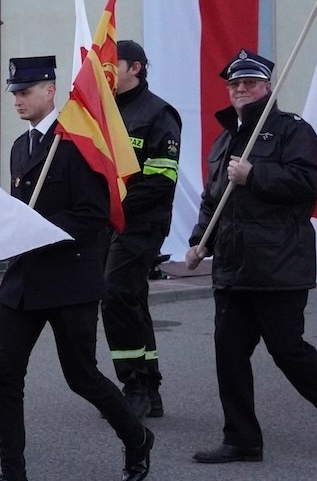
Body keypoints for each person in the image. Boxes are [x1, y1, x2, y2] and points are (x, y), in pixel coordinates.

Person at [185, 48, 317, 463]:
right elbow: (214, 199)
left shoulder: (292, 130)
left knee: (287, 349)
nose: (241, 90)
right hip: (232, 264)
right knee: (229, 353)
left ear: (267, 87)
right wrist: (199, 240)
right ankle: (242, 439)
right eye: (234, 84)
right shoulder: (225, 138)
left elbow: (306, 184)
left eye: (249, 83)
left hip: (278, 263)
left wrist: (255, 174)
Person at [0, 56, 153, 481]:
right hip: (22, 282)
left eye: (26, 92)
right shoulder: (20, 147)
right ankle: (13, 472)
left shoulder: (76, 145)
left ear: (51, 91)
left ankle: (137, 439)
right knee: (6, 379)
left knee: (81, 376)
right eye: (15, 93)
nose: (18, 100)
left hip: (68, 280)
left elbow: (93, 214)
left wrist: (39, 228)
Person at [102, 40, 181, 419]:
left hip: (141, 222)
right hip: (107, 224)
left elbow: (161, 178)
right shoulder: (102, 112)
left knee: (116, 294)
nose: (107, 69)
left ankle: (134, 384)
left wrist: (115, 208)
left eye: (113, 62)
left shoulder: (159, 114)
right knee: (129, 298)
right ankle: (148, 386)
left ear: (135, 67)